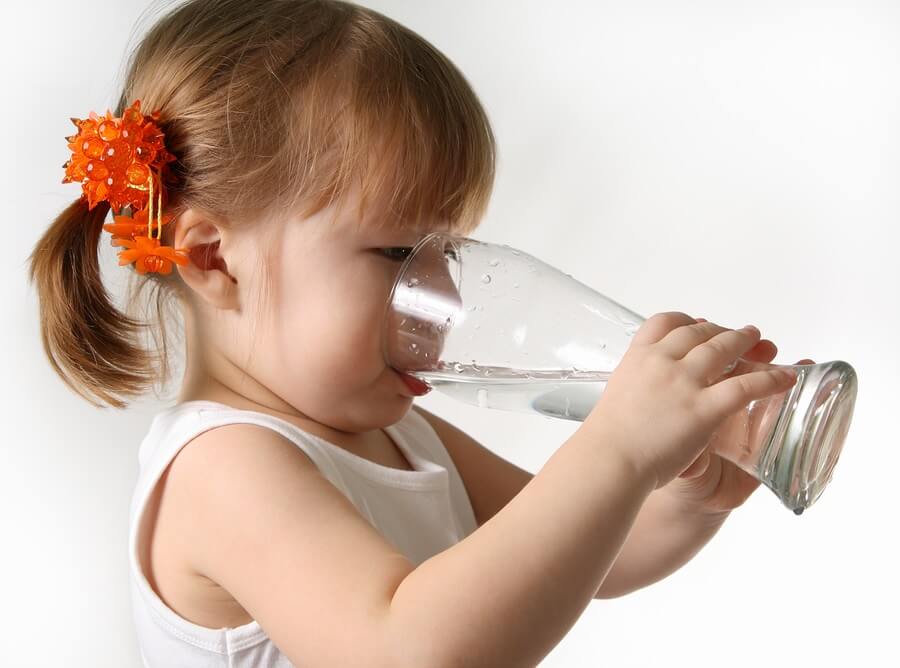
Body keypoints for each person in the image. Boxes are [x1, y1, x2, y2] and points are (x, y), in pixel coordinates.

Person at [27, 1, 813, 665]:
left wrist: (685, 495)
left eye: (451, 255)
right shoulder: (223, 467)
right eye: (400, 253)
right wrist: (617, 449)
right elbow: (410, 649)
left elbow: (586, 557)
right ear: (212, 259)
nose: (442, 296)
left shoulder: (402, 432)